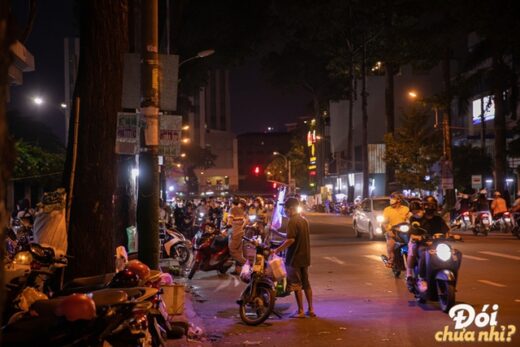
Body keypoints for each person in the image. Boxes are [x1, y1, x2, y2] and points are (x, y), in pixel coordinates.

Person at [273, 197, 314, 318]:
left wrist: (277, 250)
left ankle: (300, 311)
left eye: (286, 210)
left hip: (295, 258)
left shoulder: (292, 221)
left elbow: (290, 239)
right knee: (306, 284)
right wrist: (276, 233)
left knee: (296, 285)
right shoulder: (303, 220)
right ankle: (311, 309)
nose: (285, 212)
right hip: (305, 257)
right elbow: (291, 235)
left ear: (291, 209)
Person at [406, 196, 450, 292]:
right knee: (424, 254)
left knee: (454, 253)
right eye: (428, 205)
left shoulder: (438, 219)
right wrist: (419, 237)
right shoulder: (417, 218)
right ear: (424, 206)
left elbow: (446, 231)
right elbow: (412, 234)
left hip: (438, 245)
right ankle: (422, 278)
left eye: (432, 205)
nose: (430, 207)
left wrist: (452, 236)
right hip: (423, 245)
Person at [382, 192, 410, 268]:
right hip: (392, 230)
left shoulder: (406, 209)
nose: (391, 201)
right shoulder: (387, 210)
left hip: (404, 230)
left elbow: (410, 219)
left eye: (393, 199)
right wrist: (388, 231)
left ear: (399, 200)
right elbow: (384, 223)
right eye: (391, 199)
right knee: (391, 245)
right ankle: (391, 260)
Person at [227, 198, 247, 274]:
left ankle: (247, 264)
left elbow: (229, 222)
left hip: (234, 234)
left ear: (231, 202)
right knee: (238, 252)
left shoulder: (232, 210)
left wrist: (226, 229)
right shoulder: (241, 211)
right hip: (241, 233)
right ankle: (237, 270)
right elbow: (245, 221)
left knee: (233, 252)